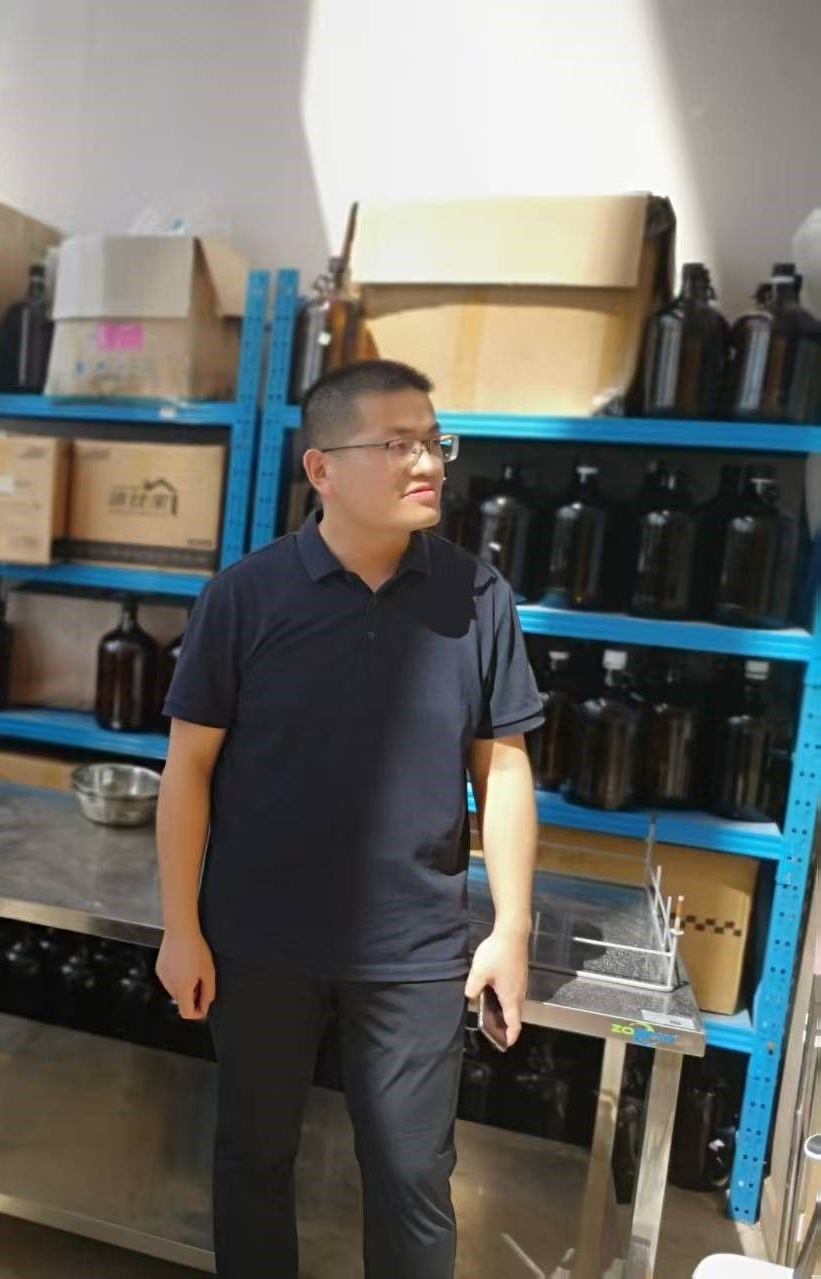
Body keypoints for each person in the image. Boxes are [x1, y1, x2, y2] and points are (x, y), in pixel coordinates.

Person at [155, 360, 541, 1279]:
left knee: (412, 1176)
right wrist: (180, 926)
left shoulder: (477, 597)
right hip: (259, 937)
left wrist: (511, 928)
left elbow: (504, 768)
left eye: (435, 442)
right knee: (253, 1159)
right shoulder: (244, 597)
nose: (429, 464)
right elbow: (188, 770)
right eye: (398, 444)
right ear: (321, 468)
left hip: (415, 946)